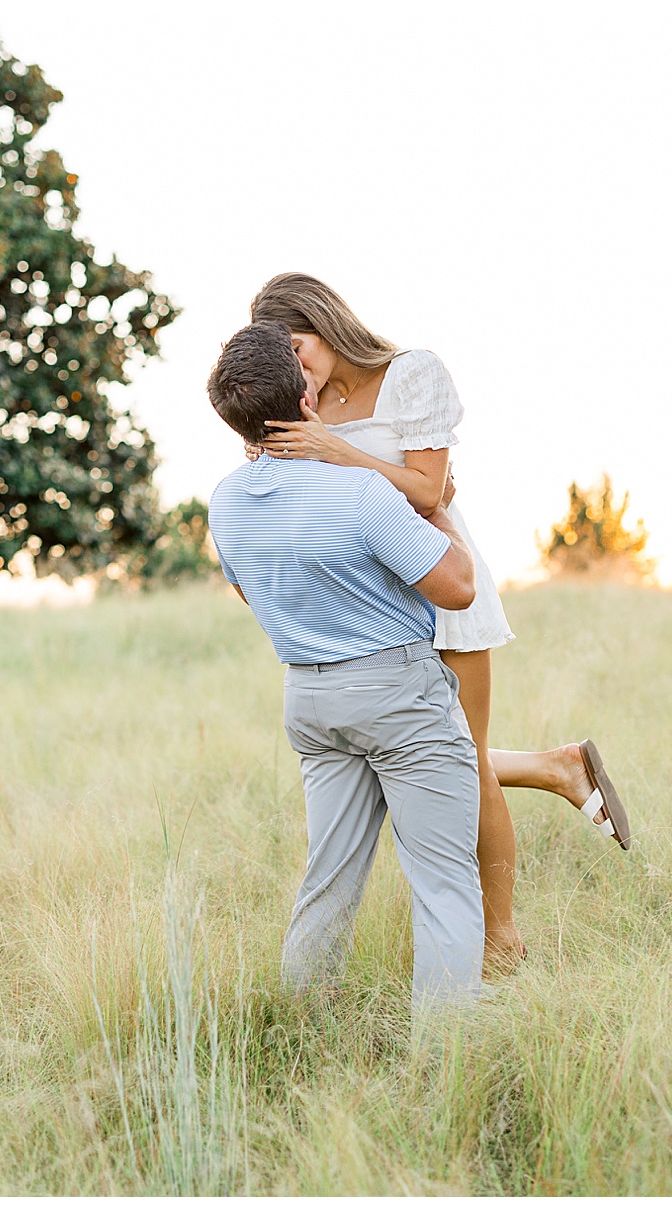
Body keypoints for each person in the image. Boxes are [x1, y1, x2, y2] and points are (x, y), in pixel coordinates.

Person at [249, 272, 629, 974]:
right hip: (364, 605)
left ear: (323, 321)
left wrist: (337, 451)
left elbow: (429, 489)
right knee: (439, 755)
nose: (296, 365)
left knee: (465, 761)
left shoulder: (410, 374)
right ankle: (557, 766)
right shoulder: (296, 403)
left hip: (439, 584)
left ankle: (502, 936)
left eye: (298, 347)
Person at [207, 320, 485, 1010]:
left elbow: (252, 593)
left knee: (326, 880)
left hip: (309, 696)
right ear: (304, 398)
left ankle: (306, 1031)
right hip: (398, 693)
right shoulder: (361, 495)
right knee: (445, 883)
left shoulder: (225, 502)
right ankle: (449, 1061)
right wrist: (442, 512)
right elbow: (458, 586)